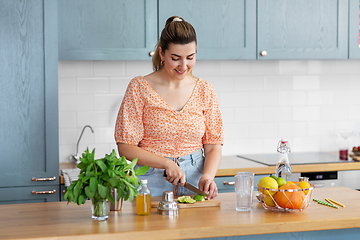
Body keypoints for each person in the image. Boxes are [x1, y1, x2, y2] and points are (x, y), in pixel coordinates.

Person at [114, 16, 223, 199]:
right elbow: (125, 147)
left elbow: (213, 145)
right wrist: (166, 163)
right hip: (150, 180)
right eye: (176, 58)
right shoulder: (139, 87)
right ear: (162, 53)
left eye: (190, 57)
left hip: (194, 179)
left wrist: (207, 175)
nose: (184, 66)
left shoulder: (204, 89)